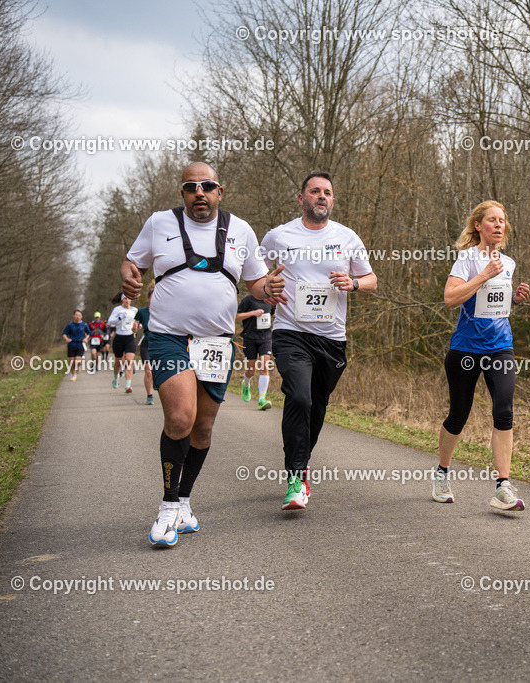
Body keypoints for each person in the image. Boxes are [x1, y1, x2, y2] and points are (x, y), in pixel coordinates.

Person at [121, 161, 283, 547]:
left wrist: (269, 287)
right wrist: (127, 272)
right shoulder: (159, 223)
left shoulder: (240, 230)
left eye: (207, 186)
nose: (199, 193)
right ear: (182, 193)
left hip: (216, 343)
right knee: (180, 418)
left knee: (203, 428)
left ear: (219, 192)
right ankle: (165, 509)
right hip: (168, 337)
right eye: (191, 186)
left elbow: (256, 282)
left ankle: (184, 501)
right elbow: (133, 262)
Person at [260, 172, 376, 511]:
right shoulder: (279, 235)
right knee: (299, 396)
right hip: (290, 333)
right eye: (314, 191)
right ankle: (296, 477)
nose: (321, 196)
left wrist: (353, 284)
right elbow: (256, 273)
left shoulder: (347, 237)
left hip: (331, 338)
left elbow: (371, 279)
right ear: (301, 198)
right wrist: (268, 284)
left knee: (317, 406)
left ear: (332, 200)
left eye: (326, 192)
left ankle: (299, 460)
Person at [433, 201, 530, 510]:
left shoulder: (509, 263)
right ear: (479, 225)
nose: (499, 225)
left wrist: (515, 300)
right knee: (459, 414)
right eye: (492, 220)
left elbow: (494, 306)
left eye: (502, 220)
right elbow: (450, 299)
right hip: (465, 348)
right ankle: (442, 472)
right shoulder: (467, 259)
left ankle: (502, 485)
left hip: (500, 345)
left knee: (504, 410)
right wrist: (484, 275)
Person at [235, 293, 275, 410]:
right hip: (250, 338)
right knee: (251, 370)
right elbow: (237, 316)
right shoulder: (248, 299)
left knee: (264, 366)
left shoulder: (271, 300)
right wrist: (252, 313)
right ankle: (246, 384)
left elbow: (273, 315)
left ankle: (262, 399)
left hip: (266, 338)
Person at [107, 294, 138, 392]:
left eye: (129, 298)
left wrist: (137, 326)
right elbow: (109, 322)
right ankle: (116, 378)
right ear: (122, 300)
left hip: (130, 338)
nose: (127, 300)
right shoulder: (117, 309)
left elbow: (138, 323)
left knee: (129, 361)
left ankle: (128, 385)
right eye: (125, 298)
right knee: (118, 362)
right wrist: (119, 318)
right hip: (119, 338)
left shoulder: (135, 310)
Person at [134, 281, 155, 405]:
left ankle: (157, 383)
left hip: (161, 343)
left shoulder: (164, 311)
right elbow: (135, 326)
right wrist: (134, 328)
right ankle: (150, 395)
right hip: (147, 343)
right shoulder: (142, 312)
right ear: (148, 299)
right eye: (152, 297)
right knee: (148, 369)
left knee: (158, 370)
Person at [61, 310, 89, 381]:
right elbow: (64, 333)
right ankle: (74, 375)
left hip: (80, 344)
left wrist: (86, 338)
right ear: (74, 316)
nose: (78, 317)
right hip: (71, 344)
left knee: (78, 361)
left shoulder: (84, 325)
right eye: (76, 315)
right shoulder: (70, 325)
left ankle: (79, 367)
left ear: (81, 316)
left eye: (79, 315)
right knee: (71, 361)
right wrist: (66, 339)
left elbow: (89, 333)